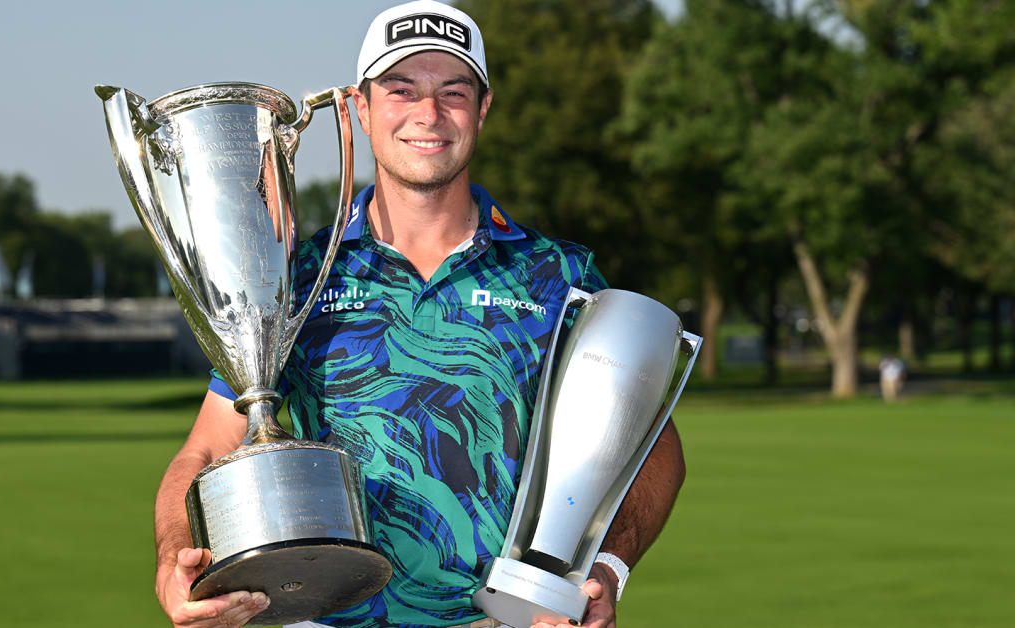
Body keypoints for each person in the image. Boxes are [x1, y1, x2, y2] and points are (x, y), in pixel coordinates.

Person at [154, 2, 686, 627]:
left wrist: (607, 569)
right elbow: (207, 449)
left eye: (452, 92)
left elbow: (652, 447)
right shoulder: (292, 275)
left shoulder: (557, 276)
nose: (428, 116)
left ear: (483, 108)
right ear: (360, 107)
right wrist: (173, 560)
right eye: (402, 90)